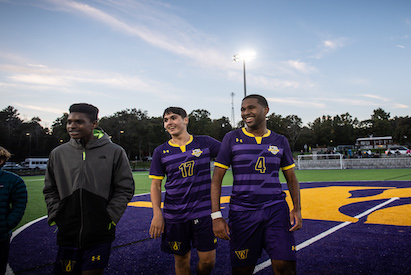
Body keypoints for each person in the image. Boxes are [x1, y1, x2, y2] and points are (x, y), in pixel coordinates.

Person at [211, 94, 302, 275]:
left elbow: (291, 178)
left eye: (251, 108)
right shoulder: (231, 138)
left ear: (265, 110)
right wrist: (216, 216)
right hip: (242, 212)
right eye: (243, 109)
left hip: (275, 210)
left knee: (285, 267)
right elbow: (216, 180)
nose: (246, 113)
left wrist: (297, 209)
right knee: (242, 270)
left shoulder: (280, 140)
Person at [43, 103, 135, 275]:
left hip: (100, 232)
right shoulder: (58, 153)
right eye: (69, 121)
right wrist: (57, 214)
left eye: (79, 121)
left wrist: (109, 217)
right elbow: (49, 189)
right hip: (67, 232)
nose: (72, 126)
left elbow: (125, 188)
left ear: (94, 124)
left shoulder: (115, 151)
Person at [149, 107, 221, 275]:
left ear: (186, 120)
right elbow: (155, 185)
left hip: (203, 213)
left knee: (208, 261)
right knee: (181, 260)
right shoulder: (160, 151)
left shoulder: (205, 142)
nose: (169, 123)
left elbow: (231, 153)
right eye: (166, 120)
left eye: (173, 118)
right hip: (175, 215)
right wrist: (157, 214)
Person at [0, 147, 27, 275]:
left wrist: (6, 225)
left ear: (1, 160)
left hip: (0, 236)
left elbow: (19, 206)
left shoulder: (13, 180)